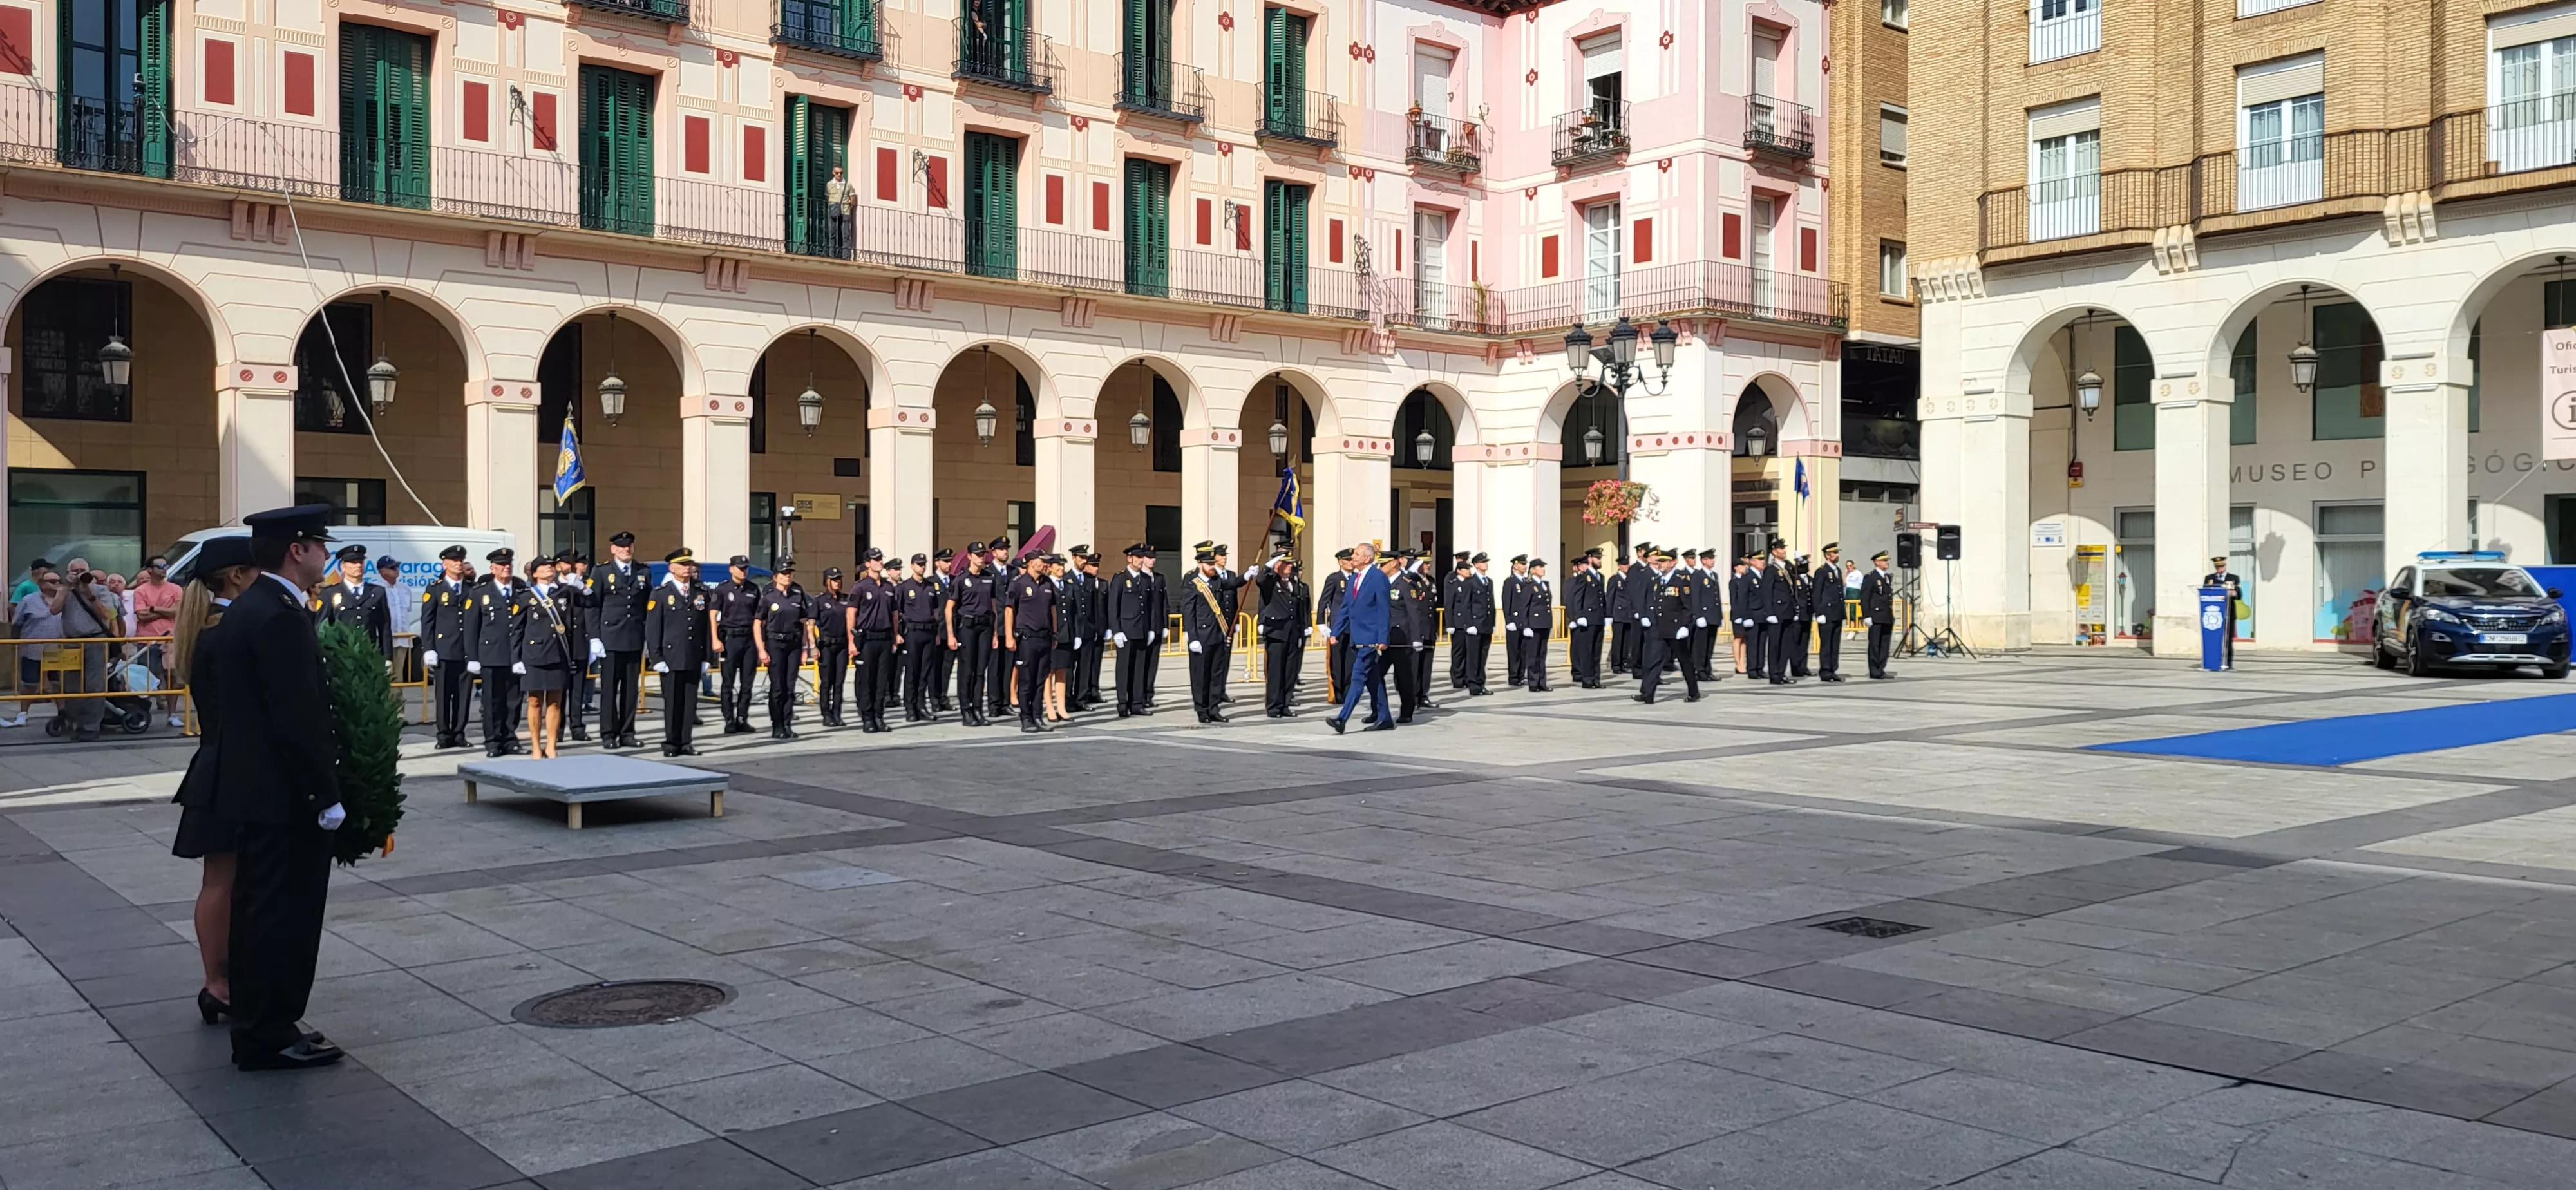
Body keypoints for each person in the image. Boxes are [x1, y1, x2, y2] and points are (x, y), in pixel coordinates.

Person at [200, 504, 345, 1072]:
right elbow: (296, 716)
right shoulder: (280, 614)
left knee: (260, 912)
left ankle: (266, 1024)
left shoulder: (254, 607)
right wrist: (323, 795)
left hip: (256, 791)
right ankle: (269, 1031)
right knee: (282, 918)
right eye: (319, 545)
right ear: (297, 550)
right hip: (283, 797)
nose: (325, 555)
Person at [167, 534, 258, 1026]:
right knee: (225, 881)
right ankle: (219, 983)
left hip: (215, 762)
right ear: (237, 576)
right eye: (256, 569)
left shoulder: (206, 627)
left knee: (219, 879)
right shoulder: (231, 629)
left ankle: (218, 982)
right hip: (233, 766)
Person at [645, 549, 714, 755]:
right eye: (683, 565)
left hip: (693, 655)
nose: (688, 568)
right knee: (673, 703)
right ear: (672, 568)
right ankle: (672, 743)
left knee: (689, 703)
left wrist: (708, 657)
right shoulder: (661, 593)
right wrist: (656, 657)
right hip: (671, 657)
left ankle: (686, 742)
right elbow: (653, 628)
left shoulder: (700, 592)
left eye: (689, 565)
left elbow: (707, 628)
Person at [587, 532, 650, 749]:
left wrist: (648, 639)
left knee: (631, 690)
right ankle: (608, 733)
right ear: (613, 549)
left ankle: (627, 733)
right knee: (609, 690)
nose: (626, 550)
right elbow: (593, 606)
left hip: (633, 638)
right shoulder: (602, 571)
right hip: (610, 639)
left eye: (629, 546)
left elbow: (647, 607)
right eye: (621, 546)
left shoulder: (643, 572)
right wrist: (595, 638)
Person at [464, 549, 527, 755]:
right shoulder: (480, 593)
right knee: (492, 701)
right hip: (491, 655)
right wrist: (473, 658)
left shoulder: (521, 590)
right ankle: (492, 740)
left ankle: (510, 738)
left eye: (509, 563)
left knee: (514, 701)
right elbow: (472, 628)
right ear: (492, 568)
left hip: (516, 656)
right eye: (501, 564)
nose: (506, 567)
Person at [1324, 543, 1392, 733]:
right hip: (1357, 635)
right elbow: (1346, 608)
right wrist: (1335, 632)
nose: (1352, 557)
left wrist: (1383, 637)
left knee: (1357, 678)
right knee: (1373, 679)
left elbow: (1383, 610)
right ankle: (1385, 717)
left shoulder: (1378, 578)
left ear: (1367, 558)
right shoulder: (1355, 577)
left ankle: (1342, 718)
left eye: (1356, 554)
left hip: (1370, 638)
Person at [513, 555, 575, 758]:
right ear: (535, 573)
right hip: (534, 655)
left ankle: (551, 744)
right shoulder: (525, 596)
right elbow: (517, 630)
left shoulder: (564, 593)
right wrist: (516, 658)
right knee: (534, 701)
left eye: (551, 566)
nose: (549, 569)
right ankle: (535, 745)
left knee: (555, 701)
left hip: (558, 653)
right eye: (544, 567)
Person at [55, 561, 122, 741]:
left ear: (89, 572)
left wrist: (89, 594)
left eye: (82, 571)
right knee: (71, 685)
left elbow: (107, 614)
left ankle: (92, 726)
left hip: (95, 640)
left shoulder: (100, 590)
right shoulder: (65, 590)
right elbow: (53, 610)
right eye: (74, 571)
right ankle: (78, 724)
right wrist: (65, 589)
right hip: (71, 642)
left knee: (94, 685)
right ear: (67, 573)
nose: (78, 574)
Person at [420, 546, 475, 750]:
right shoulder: (435, 589)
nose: (458, 563)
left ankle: (459, 733)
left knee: (463, 695)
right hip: (443, 650)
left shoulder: (472, 589)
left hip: (466, 650)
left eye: (460, 560)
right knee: (443, 695)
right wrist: (429, 648)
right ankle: (443, 734)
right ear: (445, 564)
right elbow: (428, 621)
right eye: (453, 560)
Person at [1636, 549, 1702, 704]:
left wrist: (1685, 625)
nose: (1661, 565)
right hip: (1660, 628)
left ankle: (1694, 691)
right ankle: (1647, 693)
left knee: (1685, 661)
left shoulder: (1681, 581)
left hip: (1676, 628)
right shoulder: (1657, 581)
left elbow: (1688, 606)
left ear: (1673, 563)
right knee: (1654, 661)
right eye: (1659, 562)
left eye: (1664, 562)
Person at [946, 542, 1002, 726]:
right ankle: (967, 710)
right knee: (967, 671)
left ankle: (978, 709)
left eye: (983, 554)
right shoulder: (961, 579)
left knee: (980, 671)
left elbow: (993, 605)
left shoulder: (989, 578)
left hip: (985, 626)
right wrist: (951, 634)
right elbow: (950, 608)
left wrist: (995, 632)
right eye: (977, 555)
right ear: (969, 556)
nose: (981, 558)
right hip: (967, 627)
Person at [1181, 549, 1239, 724]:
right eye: (1209, 564)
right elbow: (1188, 612)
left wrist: (1248, 575)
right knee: (1200, 676)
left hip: (1217, 635)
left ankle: (1214, 708)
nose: (1212, 567)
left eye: (1213, 564)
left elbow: (1233, 584)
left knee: (1216, 674)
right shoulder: (1193, 584)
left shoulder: (1217, 582)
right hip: (1201, 636)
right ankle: (1202, 709)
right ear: (1200, 564)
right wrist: (1192, 638)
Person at [755, 560, 811, 740]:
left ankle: (787, 723)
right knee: (778, 687)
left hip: (793, 643)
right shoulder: (769, 595)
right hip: (775, 643)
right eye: (784, 573)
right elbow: (758, 623)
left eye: (789, 573)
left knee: (790, 686)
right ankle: (777, 724)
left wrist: (805, 648)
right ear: (775, 577)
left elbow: (804, 622)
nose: (787, 576)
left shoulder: (797, 592)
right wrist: (761, 649)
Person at [1251, 554, 1311, 717]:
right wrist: (1270, 564)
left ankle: (1285, 704)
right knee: (1276, 671)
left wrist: (1304, 628)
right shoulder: (1271, 582)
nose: (1290, 567)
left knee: (1290, 671)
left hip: (1293, 632)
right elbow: (1261, 579)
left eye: (1291, 564)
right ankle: (1274, 707)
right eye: (1286, 564)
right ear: (1278, 566)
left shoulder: (1294, 583)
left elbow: (1299, 608)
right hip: (1276, 632)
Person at [1006, 553, 1059, 733]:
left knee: (1040, 680)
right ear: (1031, 563)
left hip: (1045, 637)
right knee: (1027, 680)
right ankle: (1026, 718)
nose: (1045, 565)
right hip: (1027, 637)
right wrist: (1009, 636)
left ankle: (1037, 716)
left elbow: (1053, 609)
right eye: (1042, 562)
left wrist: (1055, 633)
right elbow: (1009, 610)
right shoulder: (1019, 583)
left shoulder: (1047, 583)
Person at [131, 556, 185, 726]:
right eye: (159, 566)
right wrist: (166, 611)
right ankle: (140, 714)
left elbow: (178, 612)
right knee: (143, 681)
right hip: (147, 640)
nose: (164, 568)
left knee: (172, 679)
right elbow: (141, 615)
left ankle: (172, 714)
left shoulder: (176, 589)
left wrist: (154, 609)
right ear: (149, 570)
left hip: (170, 640)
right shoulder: (140, 591)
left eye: (165, 565)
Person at [1106, 545, 1159, 717]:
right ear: (1129, 558)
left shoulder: (1145, 579)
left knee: (1139, 669)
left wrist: (1151, 628)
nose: (1141, 560)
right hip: (1126, 632)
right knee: (1124, 669)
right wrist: (1116, 630)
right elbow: (1113, 606)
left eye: (1142, 557)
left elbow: (1150, 607)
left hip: (1141, 630)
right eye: (1137, 557)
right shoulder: (1120, 578)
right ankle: (1123, 703)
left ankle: (1137, 703)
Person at [712, 555, 762, 734]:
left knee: (747, 683)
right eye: (740, 568)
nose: (743, 571)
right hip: (730, 639)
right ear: (731, 568)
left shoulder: (754, 589)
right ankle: (729, 719)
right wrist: (715, 639)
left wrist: (760, 643)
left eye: (745, 568)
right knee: (728, 682)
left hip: (749, 639)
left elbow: (759, 617)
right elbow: (713, 615)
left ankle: (743, 718)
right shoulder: (722, 589)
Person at [317, 545, 394, 659]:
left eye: (361, 562)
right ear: (343, 567)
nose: (358, 565)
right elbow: (322, 627)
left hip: (370, 655)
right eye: (353, 562)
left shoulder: (377, 592)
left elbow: (385, 628)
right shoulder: (330, 593)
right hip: (341, 657)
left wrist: (387, 657)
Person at [851, 551, 897, 732]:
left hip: (885, 638)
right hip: (867, 639)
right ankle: (868, 717)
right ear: (868, 564)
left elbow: (894, 613)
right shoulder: (861, 587)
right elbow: (851, 614)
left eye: (881, 559)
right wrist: (851, 641)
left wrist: (895, 635)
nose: (880, 562)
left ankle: (879, 716)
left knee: (881, 681)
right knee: (867, 680)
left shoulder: (888, 586)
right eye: (876, 560)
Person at [896, 553, 943, 722]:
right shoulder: (904, 587)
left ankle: (921, 706)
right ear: (912, 566)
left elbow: (936, 611)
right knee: (912, 671)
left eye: (924, 564)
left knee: (925, 671)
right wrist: (898, 633)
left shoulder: (931, 586)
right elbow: (898, 612)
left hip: (929, 631)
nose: (922, 567)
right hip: (913, 632)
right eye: (919, 564)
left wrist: (937, 632)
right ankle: (910, 708)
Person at [1393, 549, 1435, 722]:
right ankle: (1413, 696)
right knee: (1413, 668)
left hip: (1428, 629)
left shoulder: (1427, 581)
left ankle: (1423, 695)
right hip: (1414, 632)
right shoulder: (1410, 581)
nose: (1428, 566)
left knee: (1426, 666)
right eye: (1424, 564)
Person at [810, 567, 853, 728]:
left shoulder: (846, 599)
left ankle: (837, 713)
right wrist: (813, 646)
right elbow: (810, 624)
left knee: (839, 682)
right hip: (826, 645)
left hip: (841, 644)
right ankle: (826, 714)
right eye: (834, 579)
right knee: (827, 682)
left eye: (839, 579)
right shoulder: (819, 601)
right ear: (826, 581)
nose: (837, 582)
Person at [1316, 547, 1356, 703]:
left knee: (1351, 661)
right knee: (1337, 662)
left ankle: (1348, 691)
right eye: (1348, 560)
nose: (1351, 563)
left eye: (1353, 560)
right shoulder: (1334, 578)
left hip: (1353, 627)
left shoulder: (1357, 578)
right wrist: (1321, 622)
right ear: (1340, 562)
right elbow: (1324, 600)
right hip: (1338, 627)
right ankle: (1338, 691)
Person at [1566, 551, 1606, 688]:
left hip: (1598, 618)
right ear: (1590, 559)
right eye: (1597, 558)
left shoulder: (1600, 577)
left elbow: (1602, 598)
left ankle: (1596, 678)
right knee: (1587, 651)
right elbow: (1577, 598)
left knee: (1597, 651)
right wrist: (1578, 616)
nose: (1600, 560)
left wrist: (1606, 615)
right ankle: (1587, 679)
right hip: (1587, 619)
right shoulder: (1584, 577)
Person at [1812, 543, 1850, 683]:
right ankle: (1825, 670)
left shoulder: (1838, 571)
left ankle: (1833, 669)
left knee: (1835, 643)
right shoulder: (1821, 571)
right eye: (1834, 553)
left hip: (1837, 612)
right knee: (1826, 644)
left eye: (1837, 553)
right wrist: (1818, 612)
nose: (1837, 555)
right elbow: (1817, 593)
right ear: (1828, 555)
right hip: (1826, 613)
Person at [1861, 549, 1898, 680]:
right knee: (1875, 644)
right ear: (1877, 562)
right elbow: (1865, 597)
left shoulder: (1887, 577)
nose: (1887, 563)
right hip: (1876, 615)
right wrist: (1867, 615)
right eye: (1884, 560)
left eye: (1888, 560)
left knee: (1885, 644)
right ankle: (1874, 670)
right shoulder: (1870, 577)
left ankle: (1881, 668)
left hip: (1886, 615)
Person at [1519, 556, 1554, 693]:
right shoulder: (1529, 586)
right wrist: (1526, 626)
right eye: (1540, 567)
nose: (1543, 569)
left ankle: (1542, 682)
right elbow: (1524, 607)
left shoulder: (1545, 585)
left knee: (1542, 654)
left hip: (1544, 623)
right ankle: (1533, 682)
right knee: (1533, 655)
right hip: (1534, 625)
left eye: (1543, 567)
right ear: (1533, 570)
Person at [2205, 555, 2245, 670]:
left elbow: (2239, 595)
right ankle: (2213, 662)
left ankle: (2227, 663)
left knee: (2228, 639)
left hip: (2229, 613)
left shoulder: (2233, 578)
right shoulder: (2209, 578)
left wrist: (2233, 593)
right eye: (2217, 567)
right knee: (2214, 638)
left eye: (2221, 566)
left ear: (2225, 566)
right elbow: (2206, 593)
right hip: (2214, 613)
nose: (2220, 568)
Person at [1501, 554, 1530, 688]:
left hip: (1525, 622)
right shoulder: (1510, 582)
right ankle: (1513, 676)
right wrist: (1509, 620)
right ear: (1515, 566)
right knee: (1514, 651)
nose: (1525, 567)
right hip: (1514, 622)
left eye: (1525, 564)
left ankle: (1521, 675)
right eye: (1522, 564)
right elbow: (1507, 602)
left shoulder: (1526, 582)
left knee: (1524, 650)